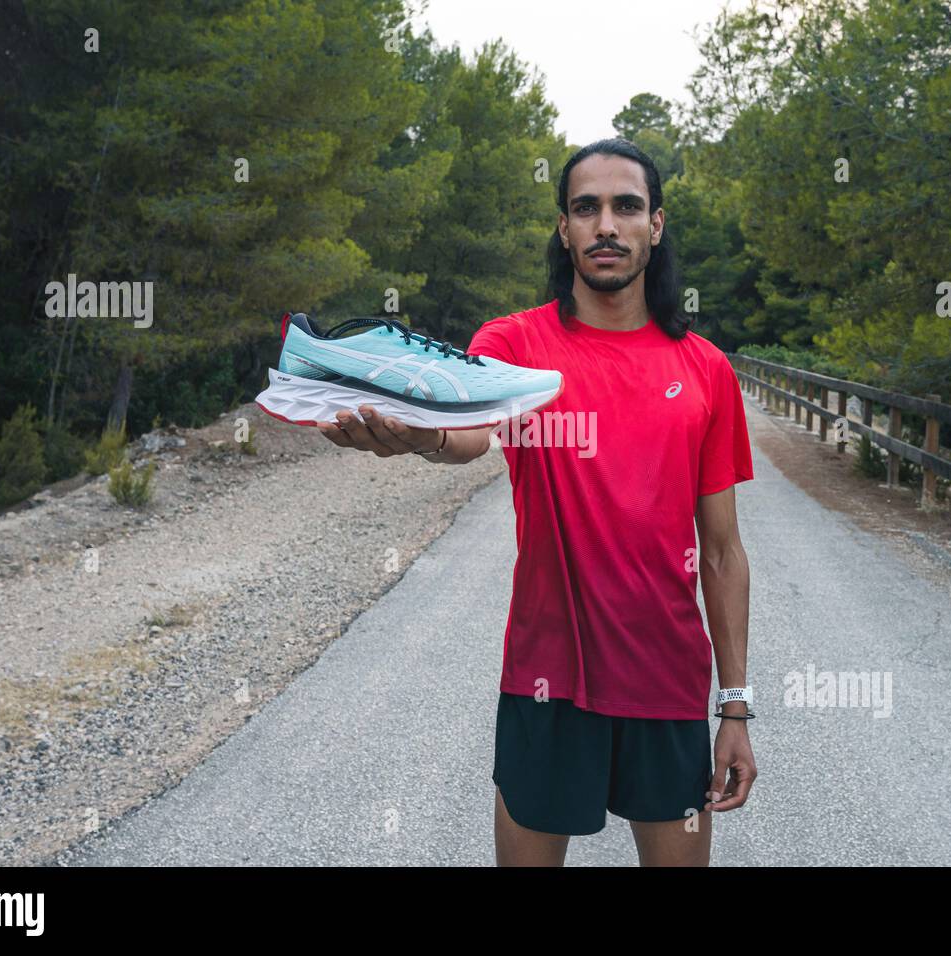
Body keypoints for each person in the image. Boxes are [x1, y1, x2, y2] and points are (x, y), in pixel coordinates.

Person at [318, 138, 756, 866]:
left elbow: (721, 549)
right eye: (586, 208)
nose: (606, 225)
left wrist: (735, 706)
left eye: (626, 207)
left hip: (669, 681)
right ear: (564, 228)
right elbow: (468, 433)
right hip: (547, 678)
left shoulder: (705, 369)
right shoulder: (515, 345)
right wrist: (419, 437)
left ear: (657, 224)